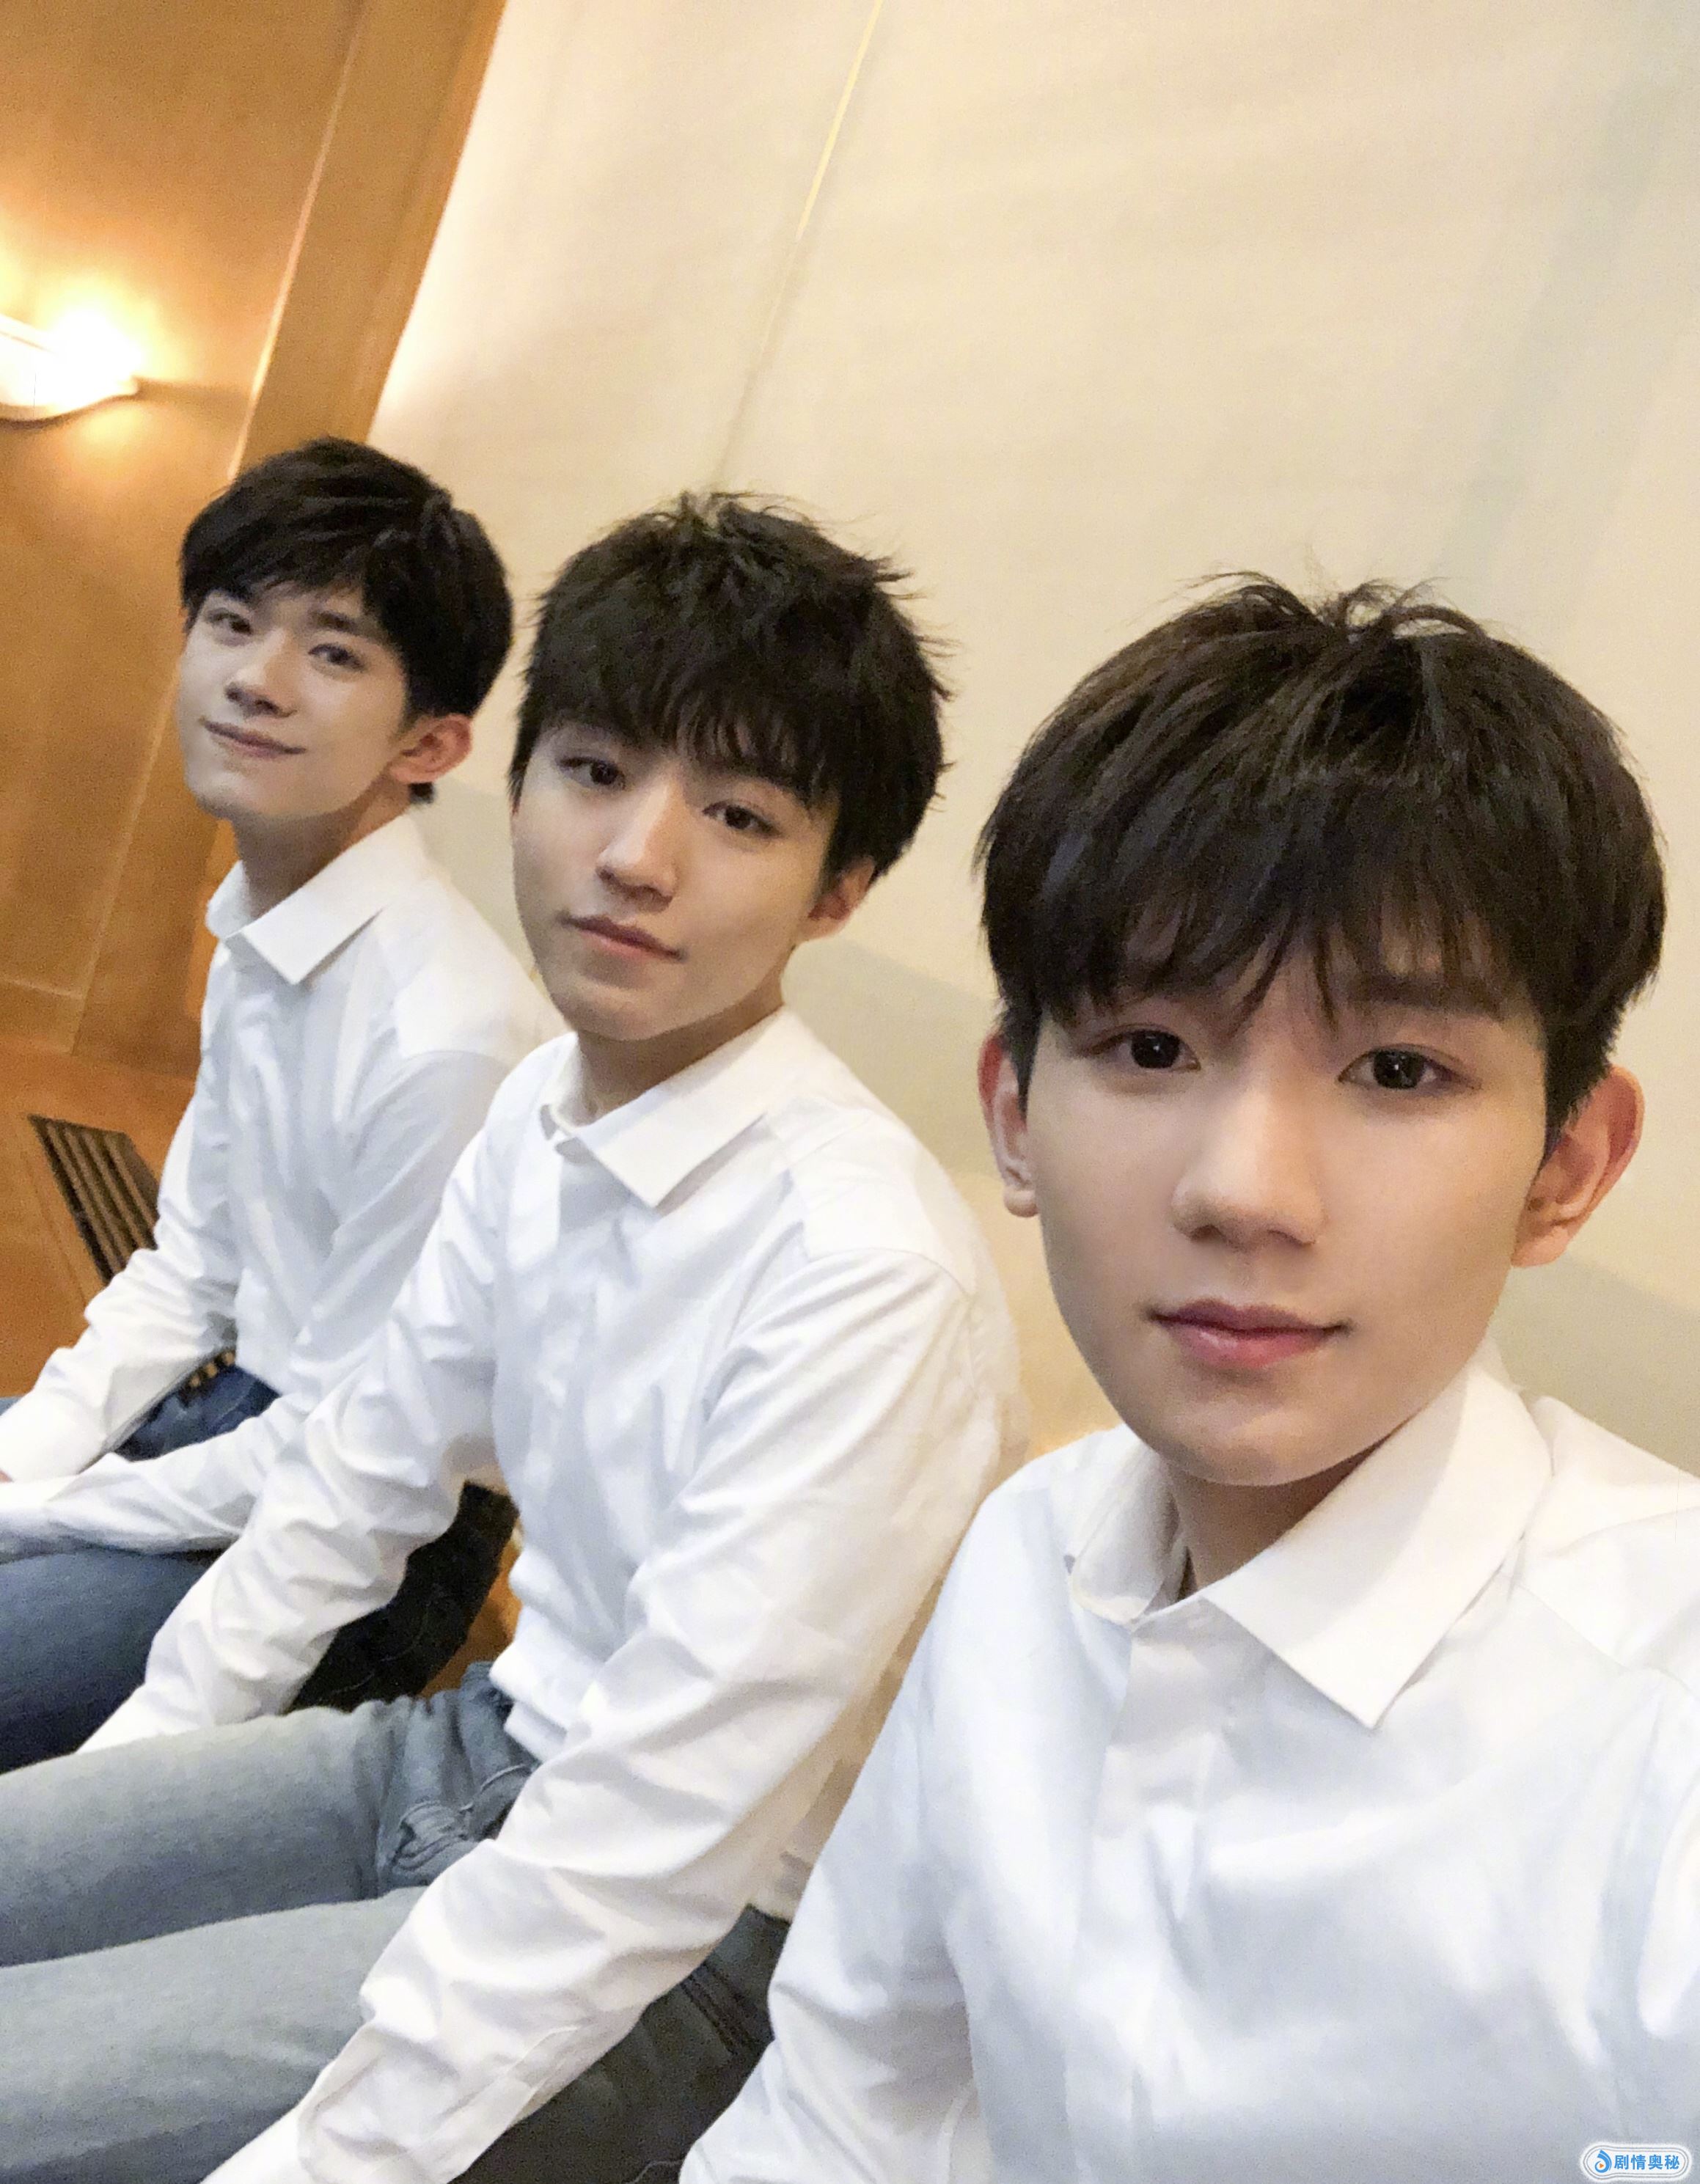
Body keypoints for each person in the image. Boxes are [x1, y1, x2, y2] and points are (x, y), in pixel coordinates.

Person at [0, 492, 1023, 2183]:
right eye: (596, 771)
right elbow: (349, 1490)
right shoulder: (546, 1106)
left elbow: (652, 1839)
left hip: (688, 1940)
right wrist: (109, 1822)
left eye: (740, 816)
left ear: (839, 889)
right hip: (465, 1753)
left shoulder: (865, 1272)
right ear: (518, 777)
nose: (637, 855)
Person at [684, 578, 1700, 2184]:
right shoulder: (1026, 1560)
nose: (1244, 1189)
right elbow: (845, 2108)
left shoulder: (1656, 1740)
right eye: (1151, 1047)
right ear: (1013, 1115)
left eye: (1397, 1070)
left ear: (1565, 1166)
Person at [0, 436, 557, 1767]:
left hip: (366, 1535)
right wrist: (27, 1470)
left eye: (334, 650)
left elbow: (346, 1451)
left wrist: (45, 1513)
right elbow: (189, 1268)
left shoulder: (445, 1035)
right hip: (224, 1421)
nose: (257, 676)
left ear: (431, 739)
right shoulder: (263, 918)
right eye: (232, 622)